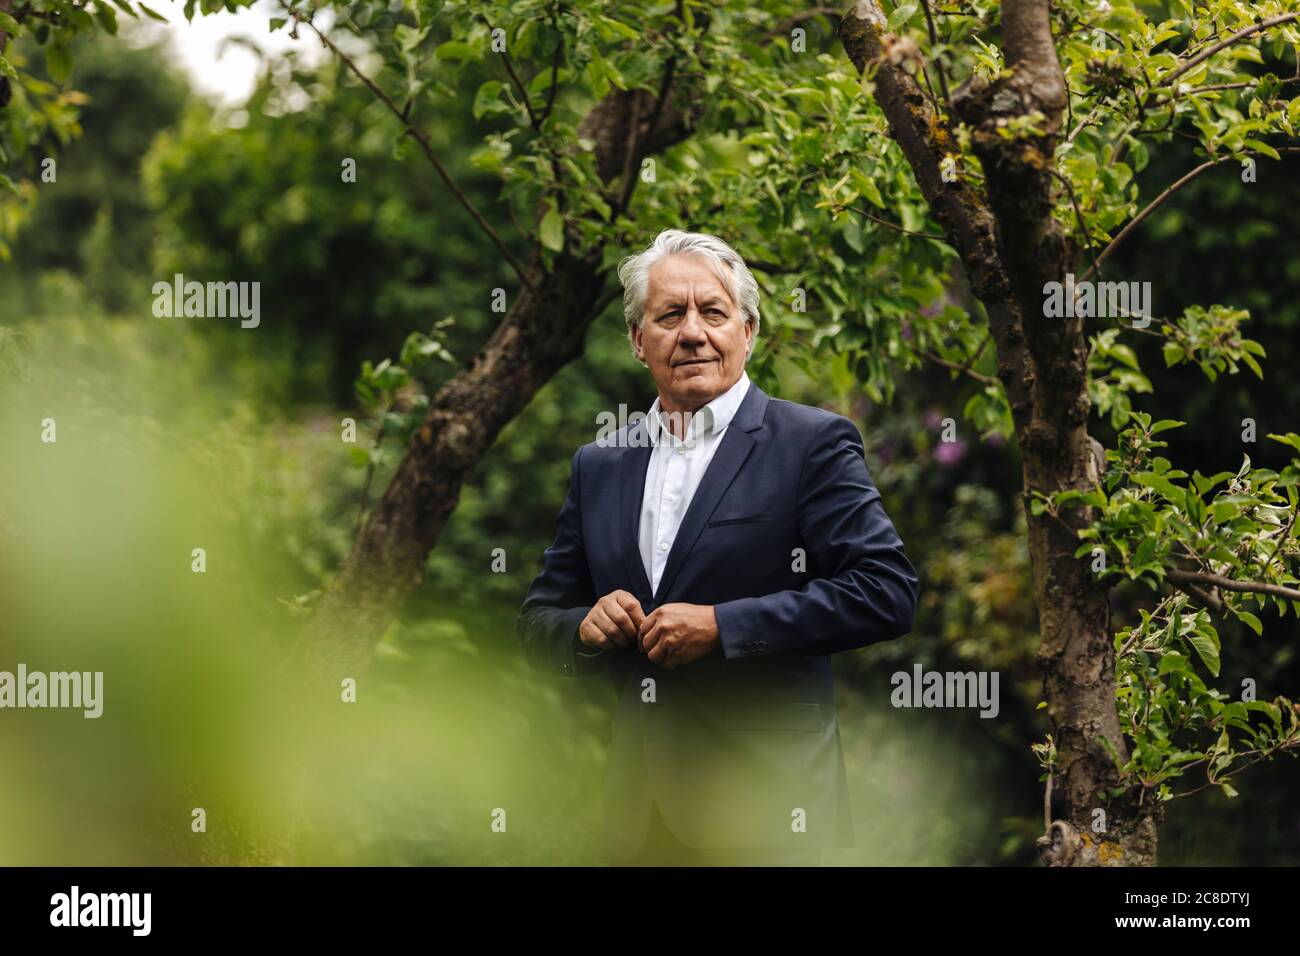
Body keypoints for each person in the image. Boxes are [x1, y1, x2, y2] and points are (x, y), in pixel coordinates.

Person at [517, 228, 919, 865]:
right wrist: (583, 631)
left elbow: (886, 592)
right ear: (637, 339)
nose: (693, 332)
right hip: (636, 813)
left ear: (749, 331)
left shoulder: (809, 443)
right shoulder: (600, 462)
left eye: (713, 312)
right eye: (670, 315)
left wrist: (723, 627)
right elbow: (538, 620)